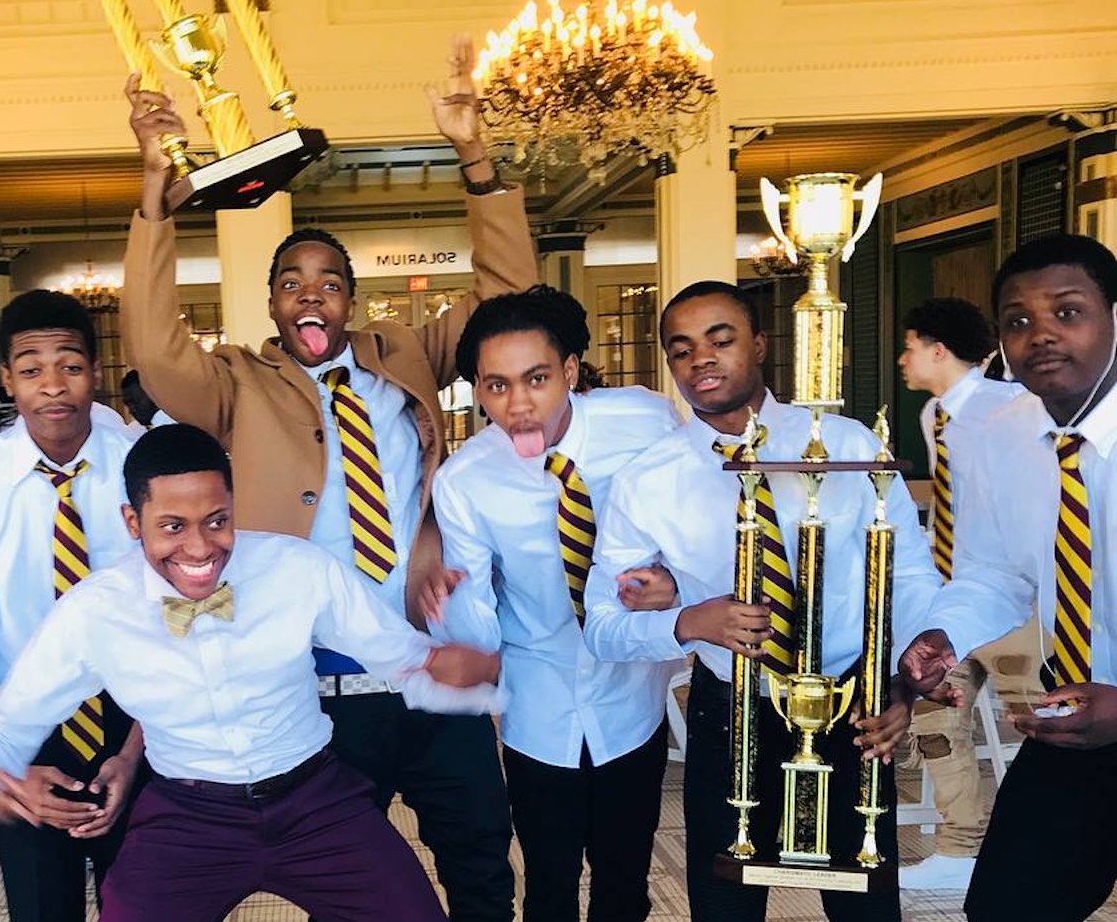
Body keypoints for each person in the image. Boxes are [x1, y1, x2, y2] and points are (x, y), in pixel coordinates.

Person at [119, 38, 531, 921]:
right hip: (316, 694)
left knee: (481, 860)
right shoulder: (231, 386)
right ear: (272, 303)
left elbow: (510, 298)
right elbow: (154, 352)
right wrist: (157, 200)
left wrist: (475, 157)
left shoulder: (408, 357)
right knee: (352, 893)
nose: (312, 295)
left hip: (427, 668)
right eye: (292, 282)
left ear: (351, 300)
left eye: (330, 282)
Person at [0, 423, 504, 922]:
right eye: (173, 526)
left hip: (316, 802)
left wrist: (453, 669)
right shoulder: (93, 612)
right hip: (188, 817)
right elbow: (4, 730)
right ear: (132, 522)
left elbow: (399, 657)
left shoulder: (298, 569)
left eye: (217, 521)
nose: (200, 547)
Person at [583, 281, 941, 922]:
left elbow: (909, 577)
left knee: (865, 905)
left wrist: (900, 682)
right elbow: (603, 627)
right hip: (731, 715)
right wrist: (690, 621)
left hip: (851, 707)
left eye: (721, 340)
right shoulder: (651, 478)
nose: (702, 360)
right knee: (724, 905)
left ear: (760, 344)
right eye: (682, 349)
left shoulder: (849, 446)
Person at [424, 286, 679, 922]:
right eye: (496, 386)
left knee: (625, 879)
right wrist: (453, 610)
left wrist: (676, 582)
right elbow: (478, 618)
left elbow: (694, 519)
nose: (518, 405)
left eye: (536, 379)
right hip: (539, 703)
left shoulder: (645, 421)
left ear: (568, 372)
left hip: (631, 694)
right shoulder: (466, 479)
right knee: (548, 883)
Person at [901, 234, 1117, 922]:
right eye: (1018, 320)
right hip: (1074, 718)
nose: (1041, 334)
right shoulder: (995, 434)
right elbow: (993, 571)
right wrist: (944, 630)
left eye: (1068, 311)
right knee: (1005, 904)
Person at [0, 289, 145, 922]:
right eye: (31, 369)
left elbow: (183, 605)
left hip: (143, 719)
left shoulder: (139, 468)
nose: (53, 386)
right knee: (42, 907)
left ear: (95, 372)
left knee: (154, 901)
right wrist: (5, 762)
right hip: (24, 729)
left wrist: (135, 751)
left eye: (70, 366)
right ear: (6, 381)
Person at [894, 297, 1027, 890]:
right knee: (933, 713)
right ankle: (959, 849)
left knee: (1042, 726)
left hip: (1018, 604)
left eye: (909, 346)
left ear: (938, 350)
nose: (902, 359)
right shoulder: (934, 417)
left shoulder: (1014, 409)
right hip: (955, 598)